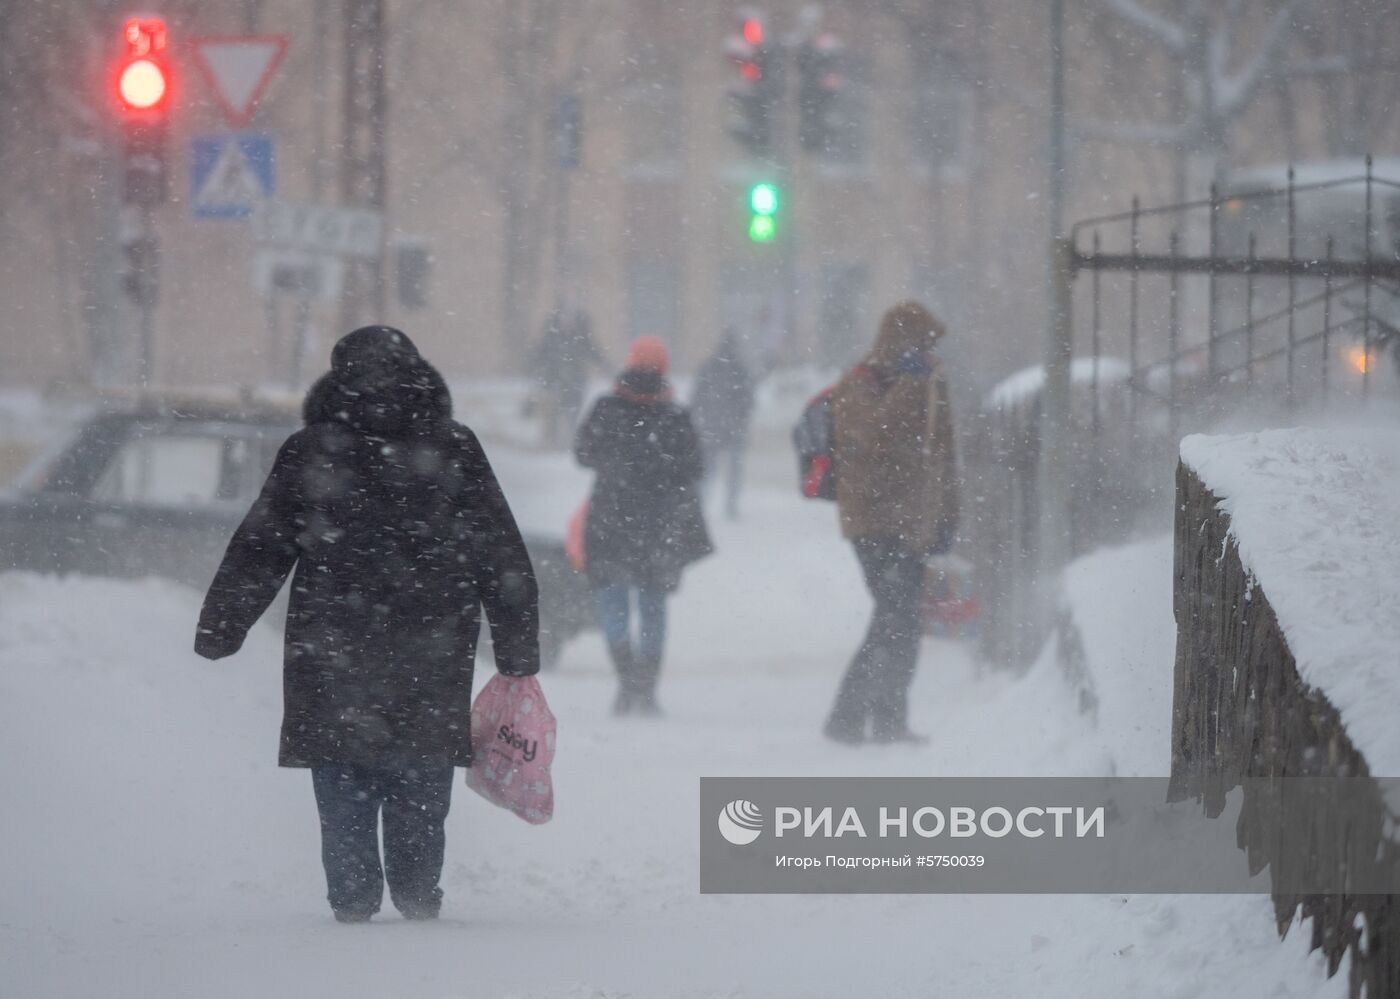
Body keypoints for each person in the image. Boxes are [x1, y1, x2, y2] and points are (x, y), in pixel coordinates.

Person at [194, 326, 540, 923]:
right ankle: (416, 895)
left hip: (332, 648)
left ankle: (352, 903)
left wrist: (222, 626)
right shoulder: (453, 447)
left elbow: (262, 545)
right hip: (431, 649)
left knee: (341, 779)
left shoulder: (312, 451)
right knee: (422, 781)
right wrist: (517, 649)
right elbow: (500, 552)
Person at [823, 302, 959, 746]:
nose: (930, 352)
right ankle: (848, 717)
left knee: (902, 619)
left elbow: (941, 454)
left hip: (914, 521)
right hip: (873, 521)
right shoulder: (859, 384)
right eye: (923, 343)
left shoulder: (927, 384)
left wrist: (947, 515)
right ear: (901, 341)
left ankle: (887, 720)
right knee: (892, 616)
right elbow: (873, 439)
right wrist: (909, 386)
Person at [574, 336, 711, 716]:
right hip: (657, 526)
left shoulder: (606, 408)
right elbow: (696, 467)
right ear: (665, 370)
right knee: (653, 606)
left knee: (613, 601)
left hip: (610, 521)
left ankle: (626, 683)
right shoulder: (675, 416)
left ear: (629, 363)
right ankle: (646, 690)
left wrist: (616, 461)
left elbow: (582, 454)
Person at [690, 331, 757, 520]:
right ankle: (731, 504)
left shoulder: (709, 367)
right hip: (733, 427)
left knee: (708, 469)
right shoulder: (740, 369)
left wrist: (699, 419)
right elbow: (748, 400)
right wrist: (741, 419)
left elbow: (696, 397)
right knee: (734, 469)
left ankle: (702, 503)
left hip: (711, 427)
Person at [530, 309, 605, 448]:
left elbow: (594, 353)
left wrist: (606, 366)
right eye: (564, 318)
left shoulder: (580, 337)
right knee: (555, 412)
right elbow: (540, 353)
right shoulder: (551, 337)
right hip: (555, 382)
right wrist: (533, 366)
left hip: (575, 382)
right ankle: (555, 441)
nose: (567, 322)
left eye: (570, 319)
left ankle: (571, 440)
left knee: (573, 411)